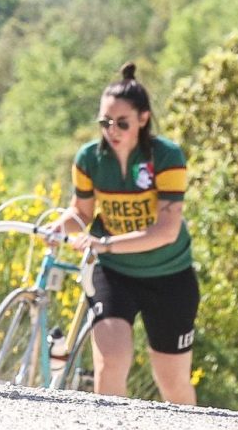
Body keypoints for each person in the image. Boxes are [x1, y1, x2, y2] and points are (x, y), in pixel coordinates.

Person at [58, 63, 197, 405]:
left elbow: (167, 230)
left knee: (172, 381)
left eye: (122, 123)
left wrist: (104, 243)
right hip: (113, 273)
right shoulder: (90, 158)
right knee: (112, 362)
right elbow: (81, 214)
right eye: (105, 122)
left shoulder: (166, 157)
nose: (112, 130)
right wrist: (57, 229)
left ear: (143, 120)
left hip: (169, 274)